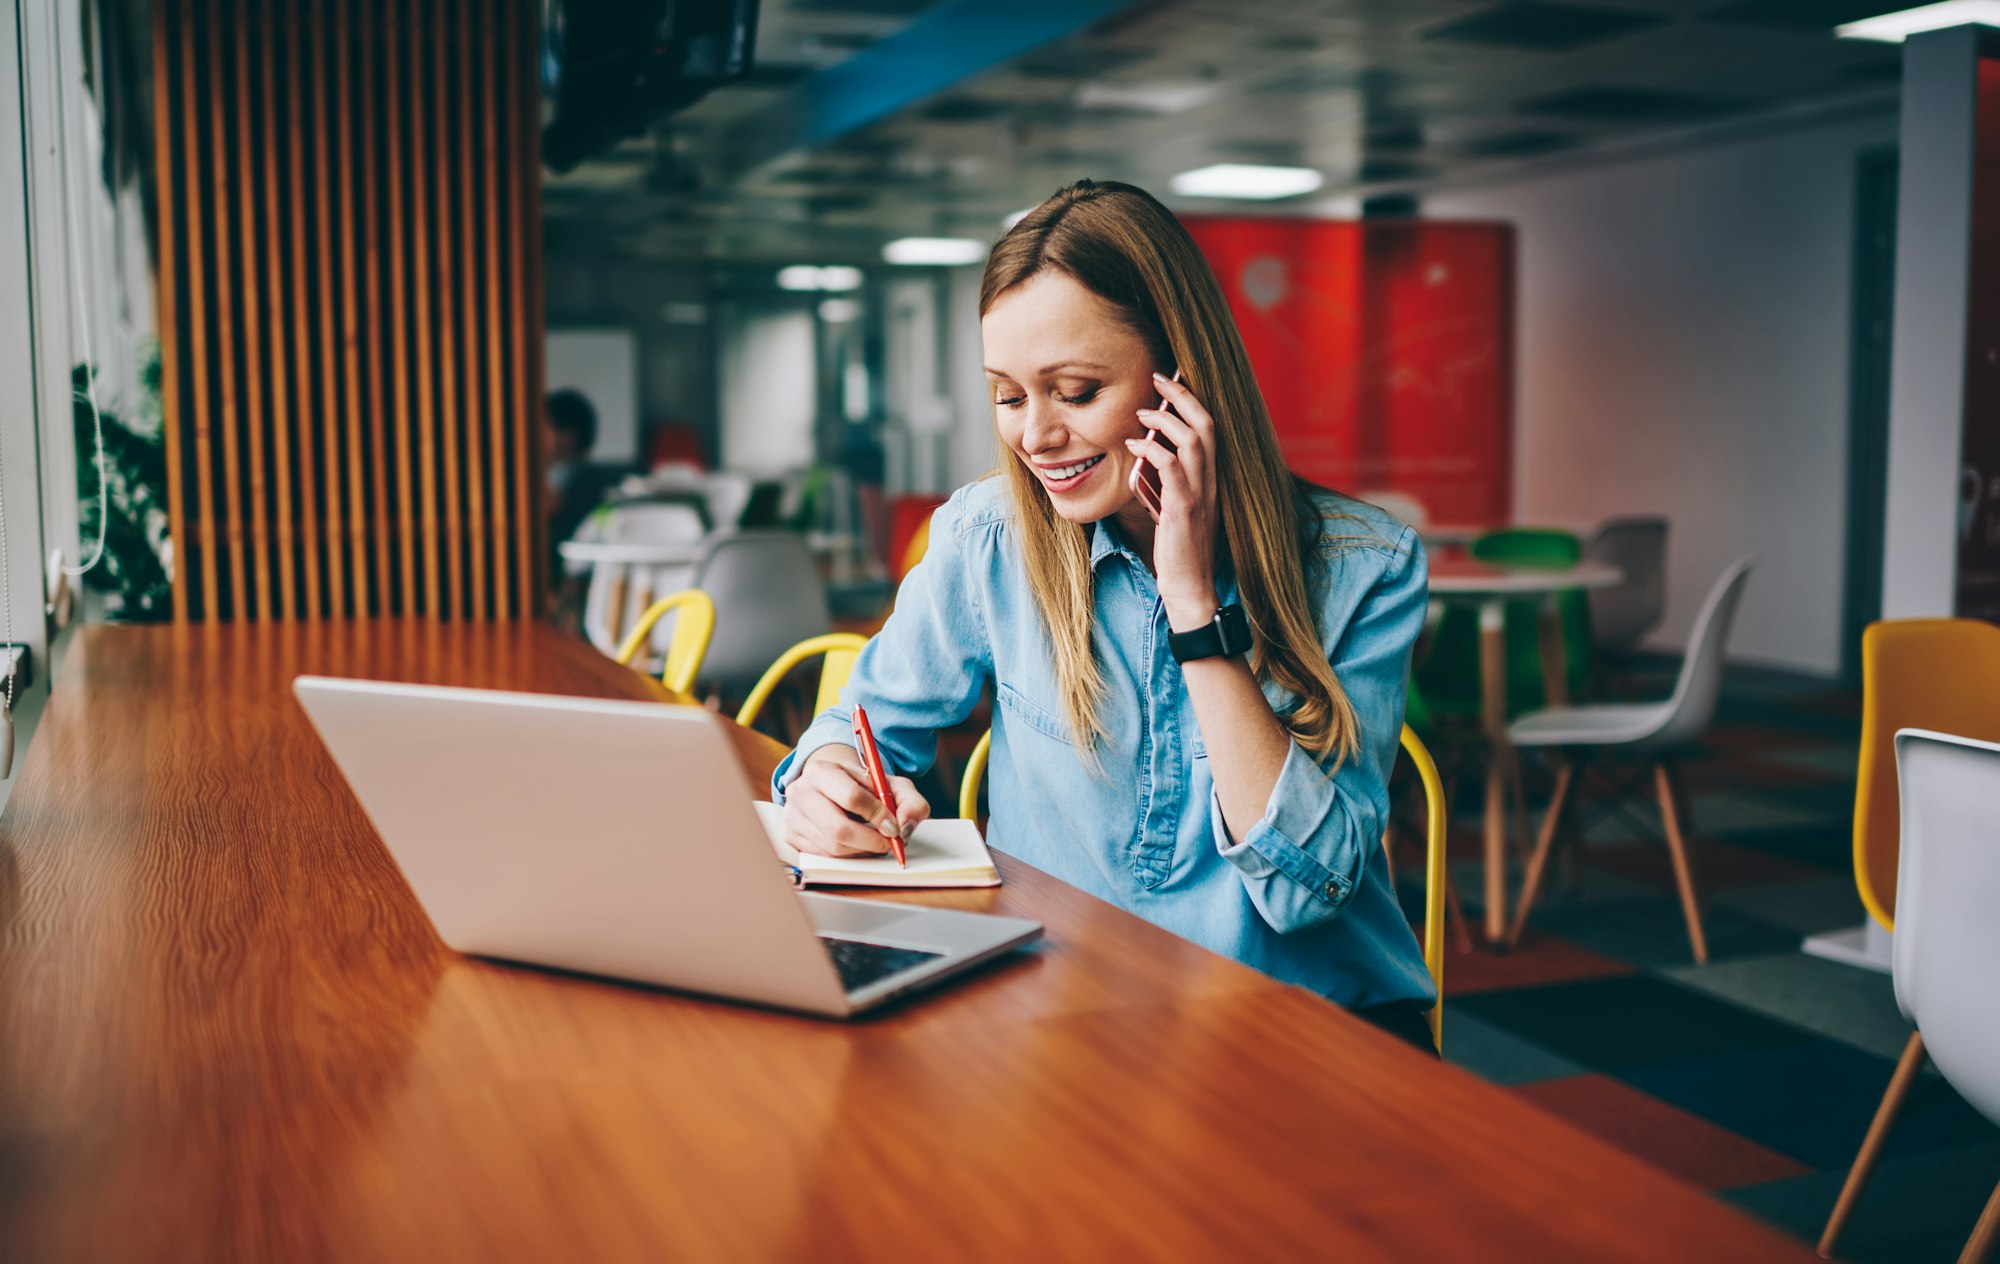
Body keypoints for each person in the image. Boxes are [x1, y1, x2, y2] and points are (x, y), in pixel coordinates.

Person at [770, 180, 1436, 1052]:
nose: (1035, 435)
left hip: (1304, 1034)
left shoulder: (1366, 567)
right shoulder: (987, 538)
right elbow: (854, 730)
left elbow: (1305, 894)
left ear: (1184, 381)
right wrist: (826, 782)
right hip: (1069, 1014)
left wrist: (1195, 603)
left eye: (1075, 391)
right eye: (1009, 396)